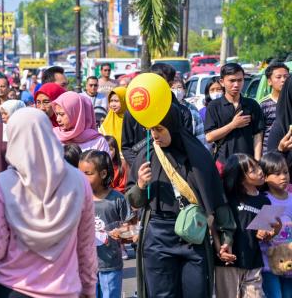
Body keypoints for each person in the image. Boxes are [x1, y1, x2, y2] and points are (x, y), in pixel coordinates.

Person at [0, 108, 97, 297]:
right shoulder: (79, 181)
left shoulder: (3, 185)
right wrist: (89, 289)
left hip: (12, 289)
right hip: (63, 290)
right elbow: (86, 247)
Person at [126, 104, 236, 298]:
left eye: (160, 129)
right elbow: (134, 202)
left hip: (193, 234)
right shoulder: (147, 155)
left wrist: (226, 237)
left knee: (197, 292)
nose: (155, 135)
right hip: (158, 236)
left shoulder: (199, 156)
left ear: (173, 125)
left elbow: (216, 199)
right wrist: (141, 185)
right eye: (152, 130)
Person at [216, 153, 277, 298]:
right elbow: (216, 225)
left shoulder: (265, 201)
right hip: (228, 262)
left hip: (253, 262)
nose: (260, 171)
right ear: (240, 177)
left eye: (257, 166)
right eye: (253, 170)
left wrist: (269, 232)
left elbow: (265, 236)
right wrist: (219, 249)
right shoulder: (227, 197)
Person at [121, 65, 194, 167]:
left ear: (170, 83)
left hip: (172, 170)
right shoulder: (133, 111)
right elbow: (127, 147)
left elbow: (186, 144)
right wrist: (139, 167)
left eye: (158, 80)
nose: (153, 83)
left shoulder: (182, 112)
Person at [79, 150, 128, 298]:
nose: (83, 177)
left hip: (110, 265)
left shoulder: (117, 199)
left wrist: (121, 232)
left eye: (88, 173)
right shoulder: (78, 197)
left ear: (103, 174)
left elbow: (129, 226)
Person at [205, 63, 265, 166]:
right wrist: (233, 125)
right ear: (222, 82)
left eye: (240, 80)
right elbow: (209, 137)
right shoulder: (214, 106)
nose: (236, 84)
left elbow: (258, 135)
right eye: (232, 81)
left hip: (248, 162)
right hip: (223, 162)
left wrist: (257, 161)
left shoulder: (252, 105)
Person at [258, 152, 292, 297]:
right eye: (277, 174)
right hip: (269, 264)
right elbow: (261, 234)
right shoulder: (265, 200)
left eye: (285, 172)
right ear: (265, 177)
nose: (283, 177)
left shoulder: (291, 199)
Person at [260, 63, 290, 150]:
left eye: (286, 76)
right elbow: (259, 135)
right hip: (270, 156)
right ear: (269, 81)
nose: (283, 80)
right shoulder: (263, 105)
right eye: (278, 77)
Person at [172, 77, 206, 146]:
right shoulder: (165, 107)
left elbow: (199, 132)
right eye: (172, 88)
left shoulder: (192, 108)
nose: (176, 91)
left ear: (184, 91)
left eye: (179, 87)